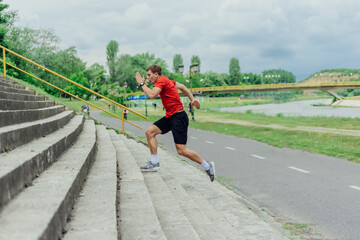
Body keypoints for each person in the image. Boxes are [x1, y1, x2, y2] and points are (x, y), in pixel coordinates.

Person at [135, 65, 215, 182]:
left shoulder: (162, 80)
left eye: (149, 75)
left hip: (178, 117)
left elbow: (152, 95)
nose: (147, 78)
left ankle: (207, 166)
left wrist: (142, 84)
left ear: (156, 74)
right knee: (150, 132)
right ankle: (154, 162)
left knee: (181, 150)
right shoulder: (166, 81)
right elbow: (182, 87)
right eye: (146, 76)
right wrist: (192, 99)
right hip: (170, 116)